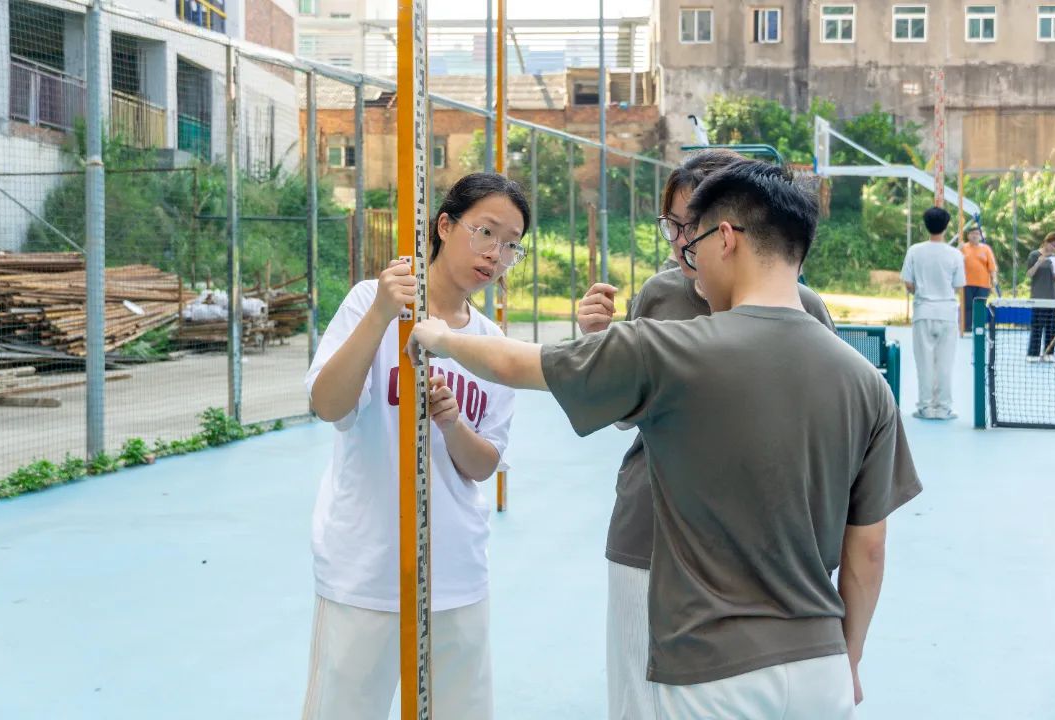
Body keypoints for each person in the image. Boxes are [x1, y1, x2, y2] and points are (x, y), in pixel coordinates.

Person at [411, 159, 922, 719]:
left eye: (694, 241)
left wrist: (439, 335)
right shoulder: (867, 385)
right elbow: (868, 549)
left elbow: (517, 363)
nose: (689, 261)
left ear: (726, 238)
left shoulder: (668, 350)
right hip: (820, 669)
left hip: (711, 669)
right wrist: (849, 660)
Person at [576, 150, 836, 720]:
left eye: (691, 225)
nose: (680, 242)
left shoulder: (802, 308)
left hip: (756, 545)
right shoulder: (658, 295)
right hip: (648, 530)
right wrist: (599, 344)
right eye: (671, 225)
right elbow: (623, 415)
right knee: (636, 697)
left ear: (731, 226)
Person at [300, 173, 529, 720]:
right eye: (486, 232)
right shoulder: (369, 302)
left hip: (455, 573)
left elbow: (484, 464)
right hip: (366, 571)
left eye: (511, 245)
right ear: (445, 226)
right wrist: (383, 314)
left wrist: (452, 425)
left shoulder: (491, 343)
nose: (495, 254)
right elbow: (328, 405)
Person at [900, 208, 966, 420]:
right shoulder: (955, 254)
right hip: (947, 313)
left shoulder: (914, 251)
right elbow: (958, 285)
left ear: (925, 225)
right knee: (945, 364)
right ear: (946, 226)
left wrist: (921, 292)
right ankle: (944, 408)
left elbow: (908, 283)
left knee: (924, 363)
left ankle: (925, 407)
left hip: (923, 312)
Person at [1025, 231, 1055, 362]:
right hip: (1038, 298)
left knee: (1051, 328)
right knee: (1037, 326)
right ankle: (1033, 354)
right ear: (1046, 242)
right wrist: (1038, 263)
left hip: (1053, 298)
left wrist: (1054, 269)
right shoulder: (1034, 255)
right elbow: (1029, 274)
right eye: (1053, 245)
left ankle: (1049, 353)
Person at [960, 228, 998, 333]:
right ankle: (967, 327)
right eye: (973, 233)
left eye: (977, 234)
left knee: (980, 307)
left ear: (980, 236)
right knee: (967, 306)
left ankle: (979, 328)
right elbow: (955, 262)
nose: (975, 235)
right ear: (968, 235)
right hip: (966, 283)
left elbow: (992, 267)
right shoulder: (963, 248)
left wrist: (994, 279)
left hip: (983, 284)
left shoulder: (986, 249)